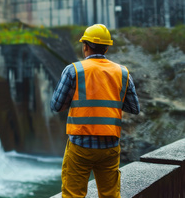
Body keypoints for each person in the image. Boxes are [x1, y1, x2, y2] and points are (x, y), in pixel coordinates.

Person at [50, 24, 140, 198]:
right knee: (110, 195)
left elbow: (56, 106)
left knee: (73, 194)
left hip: (80, 145)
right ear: (106, 47)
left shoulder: (73, 71)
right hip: (110, 146)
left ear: (85, 46)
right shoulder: (123, 72)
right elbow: (134, 108)